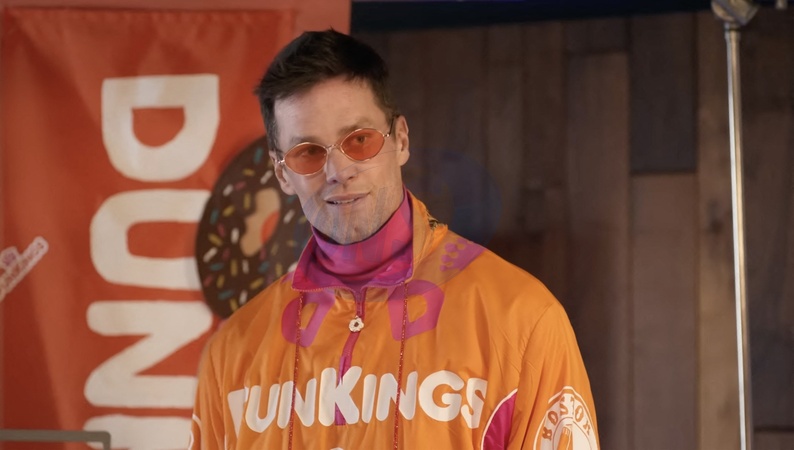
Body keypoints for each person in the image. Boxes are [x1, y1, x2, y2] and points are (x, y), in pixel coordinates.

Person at [190, 29, 599, 450]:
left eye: (359, 141)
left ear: (400, 139)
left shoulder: (522, 320)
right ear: (282, 173)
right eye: (308, 152)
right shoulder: (232, 353)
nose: (338, 171)